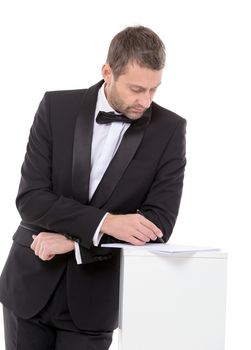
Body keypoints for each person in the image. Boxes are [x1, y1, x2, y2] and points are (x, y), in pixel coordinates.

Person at [0, 25, 186, 349]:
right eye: (136, 89)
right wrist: (107, 223)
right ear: (107, 72)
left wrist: (74, 243)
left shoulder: (170, 130)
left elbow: (158, 224)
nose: (145, 101)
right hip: (28, 285)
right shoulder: (55, 107)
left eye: (154, 90)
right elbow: (31, 199)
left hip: (92, 304)